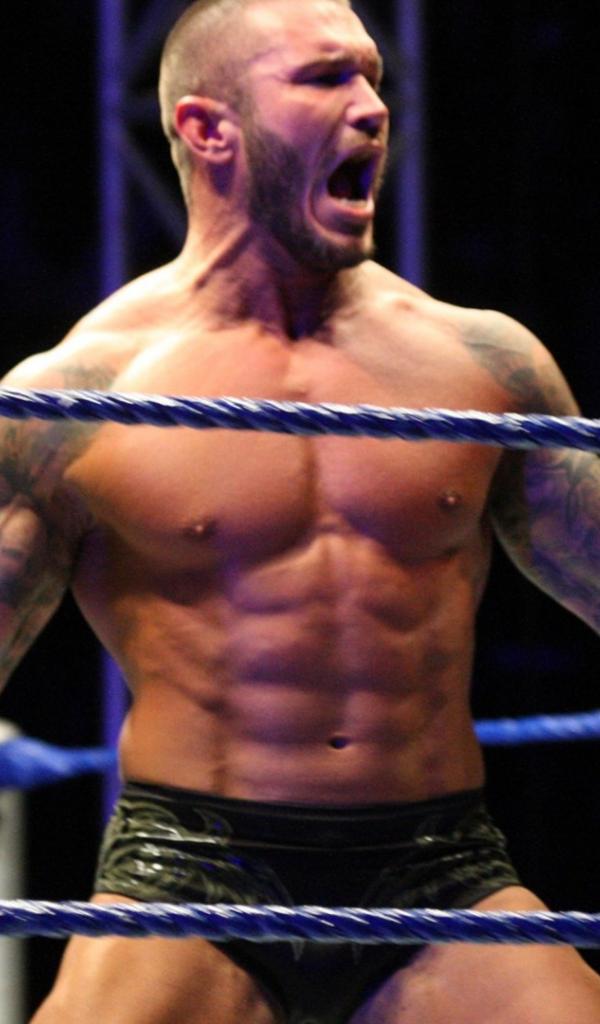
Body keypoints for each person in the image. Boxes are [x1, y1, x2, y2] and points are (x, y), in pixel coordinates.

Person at [1, 0, 600, 1021]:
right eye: (325, 78)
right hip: (190, 872)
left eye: (373, 77)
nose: (372, 107)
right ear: (208, 129)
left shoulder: (481, 366)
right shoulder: (77, 398)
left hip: (439, 866)